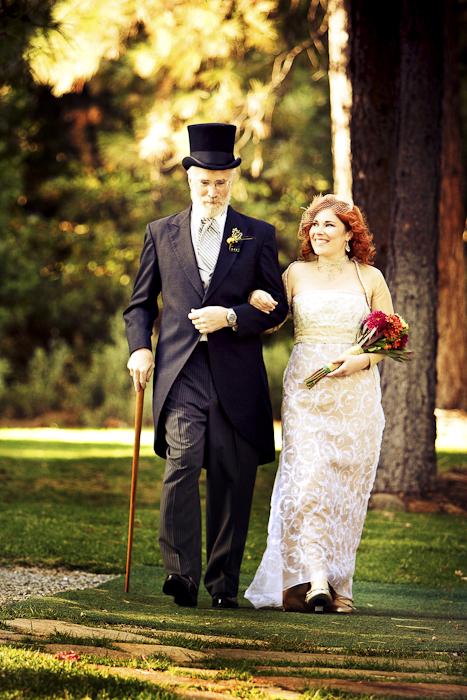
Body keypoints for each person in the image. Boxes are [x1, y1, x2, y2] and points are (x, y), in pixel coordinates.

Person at [123, 123, 288, 609]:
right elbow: (139, 305)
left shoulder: (256, 234)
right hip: (181, 373)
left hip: (237, 376)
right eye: (204, 182)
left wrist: (233, 316)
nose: (212, 190)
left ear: (232, 179)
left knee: (232, 477)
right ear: (190, 178)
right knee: (182, 464)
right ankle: (180, 574)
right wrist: (139, 347)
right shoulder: (161, 232)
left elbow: (277, 306)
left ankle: (221, 583)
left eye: (221, 181)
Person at [244, 193, 393, 614]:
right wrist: (257, 300)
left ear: (350, 233)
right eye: (314, 224)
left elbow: (391, 340)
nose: (319, 231)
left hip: (356, 395)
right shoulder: (294, 273)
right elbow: (272, 321)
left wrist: (359, 359)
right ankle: (315, 580)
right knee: (306, 481)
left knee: (346, 490)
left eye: (329, 224)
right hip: (306, 391)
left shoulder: (370, 277)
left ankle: (341, 584)